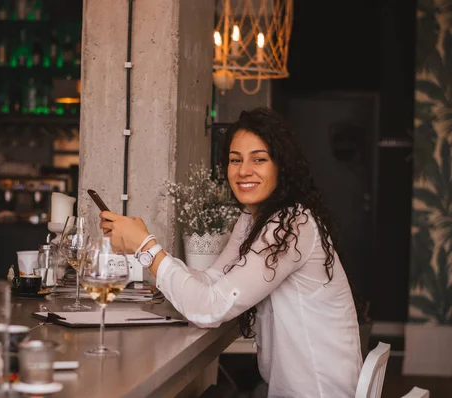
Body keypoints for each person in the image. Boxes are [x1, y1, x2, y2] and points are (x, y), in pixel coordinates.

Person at [99, 107, 362, 398]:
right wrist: (146, 246)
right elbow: (213, 280)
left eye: (259, 159)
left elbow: (210, 308)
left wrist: (145, 248)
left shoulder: (290, 226)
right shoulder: (254, 220)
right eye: (235, 160)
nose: (243, 170)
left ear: (281, 166)